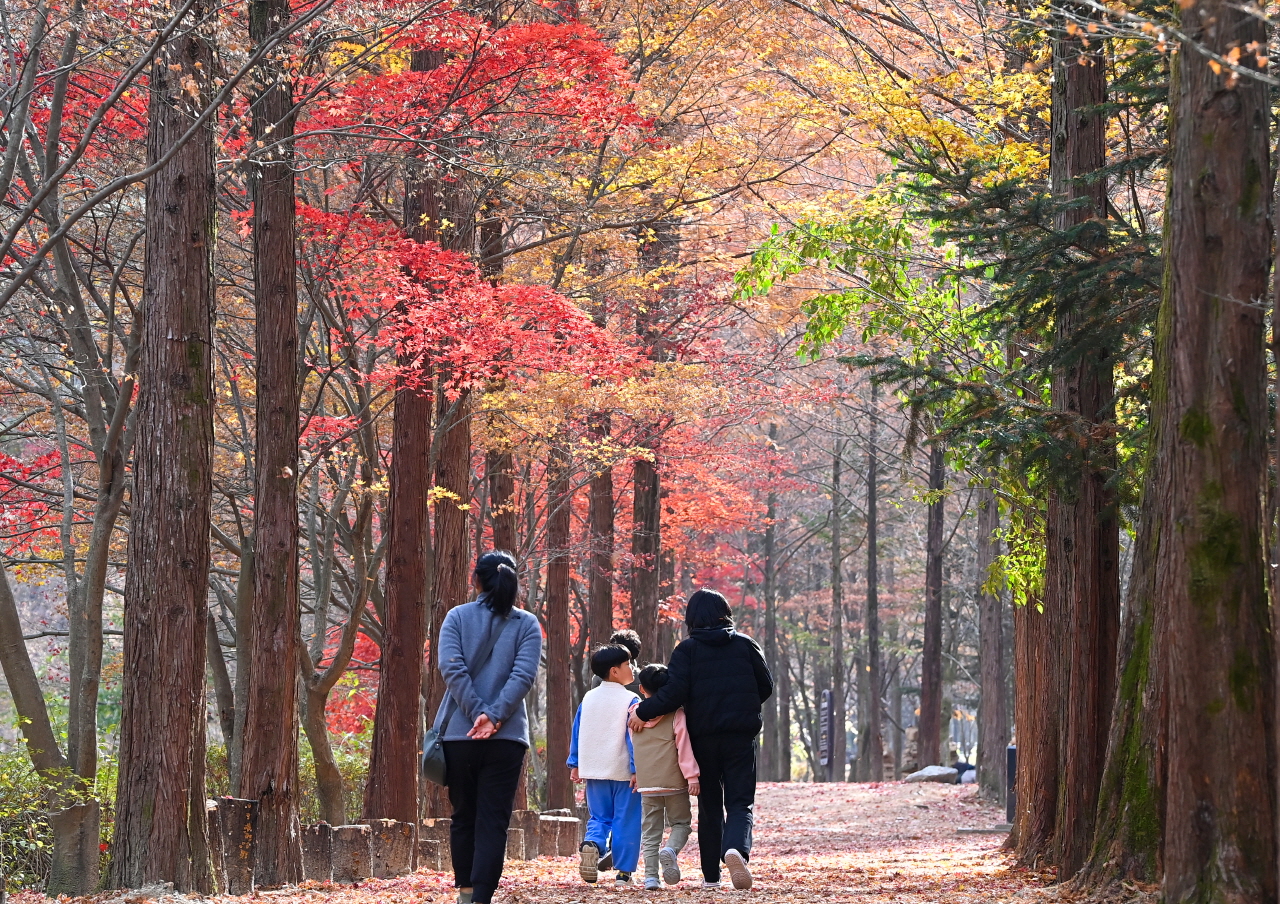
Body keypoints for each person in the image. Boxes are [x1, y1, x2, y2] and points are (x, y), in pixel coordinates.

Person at [630, 589, 774, 891]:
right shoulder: (746, 645)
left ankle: (711, 877)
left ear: (692, 618)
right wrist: (743, 706)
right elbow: (766, 686)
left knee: (709, 805)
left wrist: (642, 711)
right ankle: (735, 850)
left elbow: (673, 694)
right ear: (725, 613)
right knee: (740, 803)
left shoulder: (687, 650)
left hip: (702, 738)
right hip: (739, 735)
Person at [435, 551, 542, 904]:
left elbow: (452, 669)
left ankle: (465, 893)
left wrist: (477, 713)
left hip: (459, 735)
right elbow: (523, 676)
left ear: (475, 579)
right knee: (494, 818)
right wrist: (494, 716)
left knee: (463, 815)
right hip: (507, 738)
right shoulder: (526, 623)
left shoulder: (457, 617)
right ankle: (482, 896)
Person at [569, 644, 643, 887]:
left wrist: (575, 763)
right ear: (614, 671)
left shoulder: (588, 698)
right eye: (627, 664)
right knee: (626, 819)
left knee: (599, 816)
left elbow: (578, 731)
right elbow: (633, 738)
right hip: (622, 770)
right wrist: (636, 768)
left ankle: (592, 844)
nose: (632, 668)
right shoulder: (631, 699)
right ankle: (623, 873)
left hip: (594, 769)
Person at [629, 663, 700, 890]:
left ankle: (651, 878)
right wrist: (692, 777)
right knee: (681, 823)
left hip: (647, 784)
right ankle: (670, 850)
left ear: (642, 689)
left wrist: (637, 773)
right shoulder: (676, 714)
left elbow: (635, 747)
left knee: (651, 831)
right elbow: (684, 747)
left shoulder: (633, 715)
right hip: (674, 783)